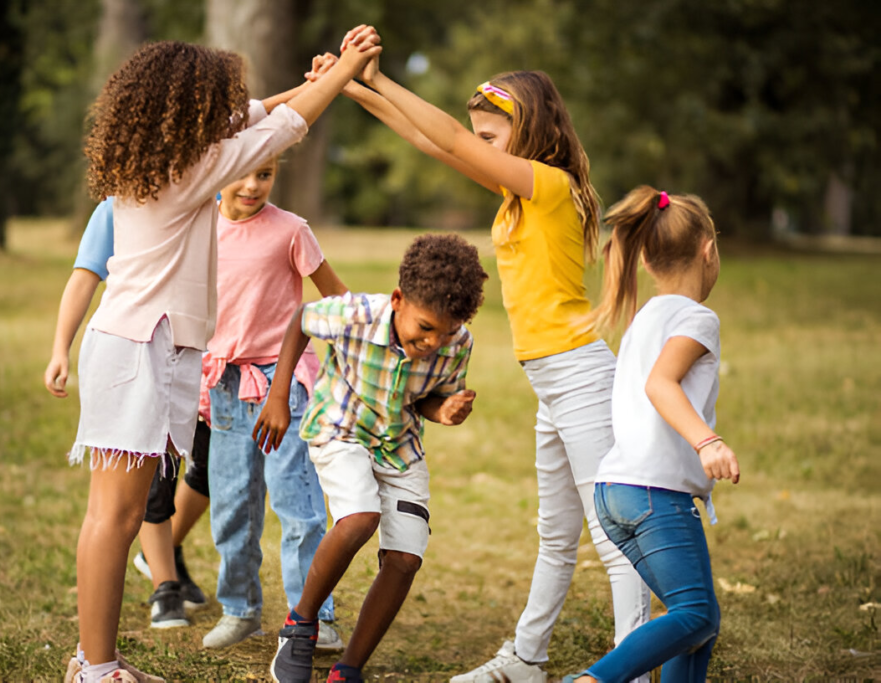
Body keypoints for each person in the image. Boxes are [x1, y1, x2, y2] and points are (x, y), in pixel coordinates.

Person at [317, 29, 651, 683]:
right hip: (554, 380)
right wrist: (350, 84)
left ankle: (631, 670)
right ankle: (527, 658)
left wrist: (379, 80)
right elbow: (427, 139)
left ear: (529, 132)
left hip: (580, 374)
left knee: (612, 538)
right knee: (556, 534)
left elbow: (444, 138)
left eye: (490, 137)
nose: (477, 146)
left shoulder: (551, 185)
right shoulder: (520, 192)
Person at [63, 32, 380, 683]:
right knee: (115, 516)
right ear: (190, 112)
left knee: (114, 514)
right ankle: (96, 667)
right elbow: (285, 124)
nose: (229, 115)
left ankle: (96, 660)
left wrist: (324, 79)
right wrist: (347, 67)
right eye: (217, 106)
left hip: (138, 344)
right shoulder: (190, 171)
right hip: (137, 349)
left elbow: (264, 112)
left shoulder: (164, 158)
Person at [256, 234, 489, 683]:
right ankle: (300, 624)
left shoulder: (458, 342)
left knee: (405, 559)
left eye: (446, 332)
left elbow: (429, 399)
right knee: (360, 517)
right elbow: (302, 319)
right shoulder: (356, 314)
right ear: (398, 300)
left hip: (399, 446)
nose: (434, 342)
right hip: (340, 428)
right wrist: (279, 395)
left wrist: (444, 411)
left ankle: (349, 669)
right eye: (425, 328)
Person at [563, 188, 738, 683]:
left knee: (696, 621)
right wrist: (708, 441)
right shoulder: (697, 318)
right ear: (708, 249)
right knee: (696, 614)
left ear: (645, 257)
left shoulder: (645, 318)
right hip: (654, 495)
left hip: (614, 492)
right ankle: (593, 680)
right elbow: (660, 384)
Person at [198, 156, 349, 650]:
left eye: (265, 174)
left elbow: (336, 300)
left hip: (285, 383)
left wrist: (354, 364)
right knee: (232, 506)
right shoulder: (197, 228)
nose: (252, 185)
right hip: (224, 384)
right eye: (243, 172)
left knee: (297, 505)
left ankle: (315, 618)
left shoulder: (291, 231)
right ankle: (240, 610)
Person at [44, 196, 211, 633]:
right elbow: (84, 278)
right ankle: (156, 592)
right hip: (132, 357)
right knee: (121, 508)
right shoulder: (114, 208)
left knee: (136, 504)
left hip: (184, 363)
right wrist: (60, 347)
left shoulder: (205, 198)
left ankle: (98, 656)